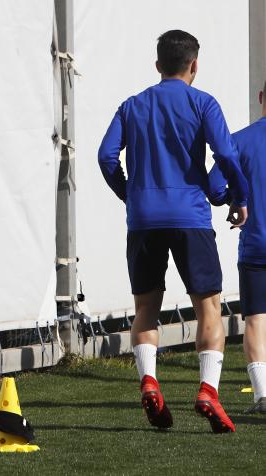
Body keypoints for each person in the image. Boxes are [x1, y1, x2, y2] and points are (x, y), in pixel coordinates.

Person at [98, 30, 248, 433]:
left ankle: (149, 380)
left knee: (146, 308)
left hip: (143, 218)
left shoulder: (132, 105)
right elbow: (226, 155)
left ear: (158, 64)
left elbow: (105, 155)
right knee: (208, 307)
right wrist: (240, 197)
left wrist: (129, 193)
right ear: (194, 65)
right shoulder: (202, 103)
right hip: (190, 218)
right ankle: (207, 390)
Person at [207, 82, 266, 414]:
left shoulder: (239, 141)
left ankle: (262, 395)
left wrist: (235, 200)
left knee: (257, 319)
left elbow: (214, 187)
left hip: (256, 246)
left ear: (261, 98)